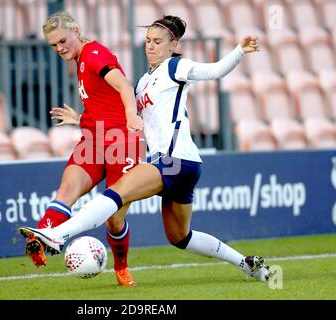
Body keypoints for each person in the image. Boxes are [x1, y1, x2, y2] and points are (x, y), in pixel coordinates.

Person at [19, 16, 271, 282]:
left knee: (114, 195)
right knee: (180, 236)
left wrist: (240, 51)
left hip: (172, 161)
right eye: (148, 41)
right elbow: (122, 112)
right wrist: (81, 119)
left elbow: (215, 71)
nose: (150, 47)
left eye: (158, 42)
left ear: (174, 44)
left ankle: (57, 235)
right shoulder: (144, 82)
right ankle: (245, 263)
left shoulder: (175, 66)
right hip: (184, 164)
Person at [20, 11, 144, 287]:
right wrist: (81, 118)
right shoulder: (80, 60)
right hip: (94, 139)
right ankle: (41, 238)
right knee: (66, 191)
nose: (59, 48)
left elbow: (123, 86)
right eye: (53, 45)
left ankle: (121, 268)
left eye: (63, 40)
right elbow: (104, 101)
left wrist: (132, 115)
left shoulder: (93, 53)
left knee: (114, 219)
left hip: (122, 141)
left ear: (76, 30)